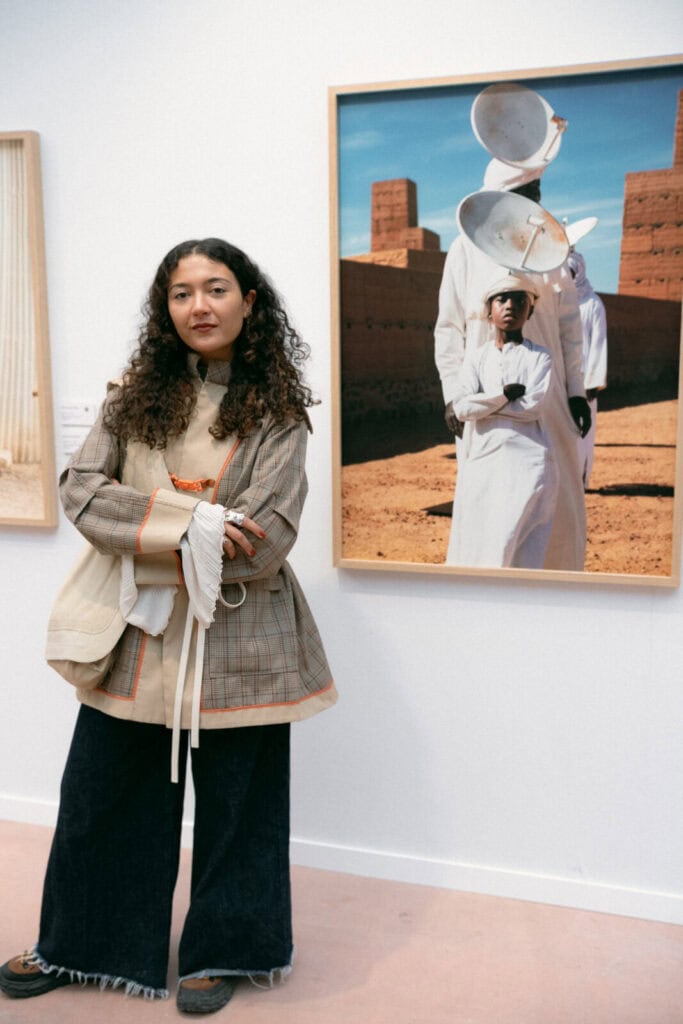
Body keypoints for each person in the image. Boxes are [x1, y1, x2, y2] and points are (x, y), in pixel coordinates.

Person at [0, 238, 337, 1015]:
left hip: (243, 631)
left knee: (239, 805)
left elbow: (267, 538)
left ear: (249, 300)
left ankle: (226, 950)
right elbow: (82, 493)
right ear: (167, 310)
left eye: (216, 288)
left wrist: (155, 519)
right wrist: (198, 518)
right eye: (182, 293)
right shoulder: (129, 401)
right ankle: (81, 942)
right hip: (138, 627)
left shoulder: (280, 412)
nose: (200, 306)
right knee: (103, 790)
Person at [434, 158, 591, 571]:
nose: (536, 205)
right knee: (487, 500)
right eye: (526, 196)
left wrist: (575, 391)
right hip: (481, 401)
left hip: (547, 398)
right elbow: (448, 330)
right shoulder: (465, 249)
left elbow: (570, 329)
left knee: (553, 497)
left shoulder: (554, 254)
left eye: (537, 194)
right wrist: (455, 396)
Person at [448, 273, 558, 568]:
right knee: (481, 542)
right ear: (489, 309)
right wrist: (502, 395)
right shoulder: (476, 358)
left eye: (519, 300)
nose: (510, 306)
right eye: (502, 299)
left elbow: (532, 407)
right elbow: (462, 409)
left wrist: (483, 403)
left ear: (530, 310)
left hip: (529, 461)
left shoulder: (541, 357)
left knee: (518, 544)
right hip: (483, 460)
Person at [568, 249, 608, 488]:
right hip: (564, 378)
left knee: (584, 431)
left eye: (571, 271)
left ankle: (582, 479)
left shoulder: (593, 304)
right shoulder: (560, 301)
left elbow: (598, 343)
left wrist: (593, 381)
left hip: (585, 380)